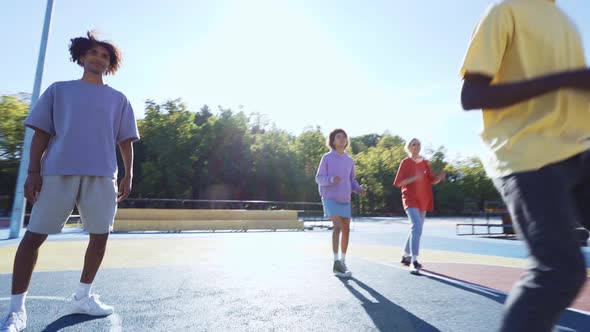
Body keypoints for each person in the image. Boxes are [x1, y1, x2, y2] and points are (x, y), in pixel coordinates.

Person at [460, 1, 590, 331]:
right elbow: (471, 95)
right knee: (560, 270)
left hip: (579, 149)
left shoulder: (564, 22)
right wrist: (564, 79)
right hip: (526, 153)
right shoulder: (505, 10)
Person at [1, 31, 139, 332]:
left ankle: (83, 296)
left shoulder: (119, 99)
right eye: (92, 53)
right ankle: (16, 311)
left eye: (105, 55)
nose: (98, 58)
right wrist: (33, 171)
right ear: (80, 57)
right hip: (58, 172)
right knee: (34, 236)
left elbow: (126, 141)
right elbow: (41, 133)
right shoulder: (58, 90)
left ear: (110, 63)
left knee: (100, 235)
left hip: (102, 174)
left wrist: (128, 174)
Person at [315, 129, 366, 278]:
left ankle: (343, 261)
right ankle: (336, 262)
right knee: (337, 227)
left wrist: (358, 189)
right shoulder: (327, 158)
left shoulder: (349, 160)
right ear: (333, 140)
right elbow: (319, 178)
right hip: (329, 197)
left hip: (345, 199)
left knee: (346, 229)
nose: (342, 139)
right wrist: (331, 179)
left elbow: (351, 180)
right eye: (338, 137)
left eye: (344, 137)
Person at [393, 138, 444, 273]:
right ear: (409, 148)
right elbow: (398, 183)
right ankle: (414, 261)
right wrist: (413, 179)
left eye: (418, 144)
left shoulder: (425, 163)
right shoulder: (405, 162)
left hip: (423, 200)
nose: (417, 146)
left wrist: (439, 178)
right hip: (410, 199)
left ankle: (405, 256)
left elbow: (432, 180)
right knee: (416, 226)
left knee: (417, 229)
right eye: (413, 144)